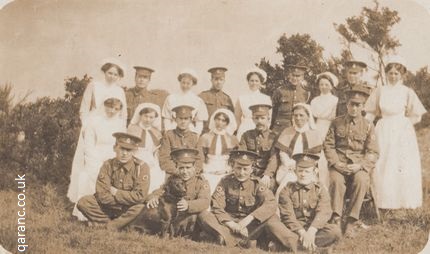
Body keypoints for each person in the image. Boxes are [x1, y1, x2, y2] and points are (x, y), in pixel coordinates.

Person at [197, 150, 298, 251]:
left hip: (250, 227)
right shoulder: (225, 182)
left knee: (272, 218)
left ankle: (293, 243)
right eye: (238, 168)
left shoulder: (257, 184)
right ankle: (244, 241)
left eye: (245, 169)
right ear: (233, 167)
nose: (241, 172)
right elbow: (217, 205)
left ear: (252, 169)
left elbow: (270, 203)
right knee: (204, 215)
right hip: (228, 225)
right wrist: (231, 224)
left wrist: (248, 219)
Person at [365, 55, 426, 209]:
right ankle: (384, 201)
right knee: (383, 163)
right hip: (384, 129)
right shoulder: (380, 91)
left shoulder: (407, 92)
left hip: (402, 131)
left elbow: (417, 115)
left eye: (396, 74)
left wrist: (404, 125)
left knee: (401, 164)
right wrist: (367, 125)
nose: (393, 76)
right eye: (390, 73)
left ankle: (404, 201)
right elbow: (370, 112)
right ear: (386, 74)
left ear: (402, 75)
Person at [324, 85, 378, 238]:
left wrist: (360, 166)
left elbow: (373, 151)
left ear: (362, 106)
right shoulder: (336, 123)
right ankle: (335, 217)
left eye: (358, 105)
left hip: (358, 165)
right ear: (346, 104)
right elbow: (328, 145)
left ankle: (351, 221)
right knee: (335, 180)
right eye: (351, 104)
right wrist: (336, 163)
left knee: (361, 180)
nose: (354, 108)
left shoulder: (368, 125)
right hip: (339, 164)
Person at [67, 97, 126, 221]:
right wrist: (96, 161)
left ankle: (109, 213)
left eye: (116, 108)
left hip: (114, 156)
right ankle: (86, 214)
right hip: (95, 156)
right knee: (91, 176)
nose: (112, 111)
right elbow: (88, 145)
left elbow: (122, 145)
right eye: (110, 107)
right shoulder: (94, 122)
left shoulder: (120, 125)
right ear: (104, 106)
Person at [76, 132, 150, 230]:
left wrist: (116, 192)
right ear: (114, 148)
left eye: (129, 150)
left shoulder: (142, 167)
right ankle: (120, 225)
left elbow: (140, 196)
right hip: (108, 207)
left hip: (128, 209)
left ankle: (105, 225)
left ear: (134, 151)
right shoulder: (107, 165)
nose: (125, 153)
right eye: (122, 148)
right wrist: (125, 200)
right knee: (84, 202)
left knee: (140, 208)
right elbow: (102, 195)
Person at [135, 148, 211, 237]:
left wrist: (189, 205)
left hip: (188, 219)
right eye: (181, 168)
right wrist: (153, 198)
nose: (185, 171)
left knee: (203, 215)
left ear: (194, 167)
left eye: (188, 168)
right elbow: (160, 191)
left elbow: (205, 201)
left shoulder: (201, 181)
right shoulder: (173, 180)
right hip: (172, 220)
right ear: (177, 167)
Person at [276, 153, 341, 252]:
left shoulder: (320, 189)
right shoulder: (286, 190)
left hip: (313, 227)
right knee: (276, 229)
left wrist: (311, 232)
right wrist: (302, 233)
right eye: (300, 171)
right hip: (294, 229)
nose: (303, 174)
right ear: (295, 171)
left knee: (335, 231)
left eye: (307, 171)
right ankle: (316, 250)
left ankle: (291, 246)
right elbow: (288, 216)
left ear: (314, 172)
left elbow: (324, 212)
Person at [266, 103, 322, 200]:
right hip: (288, 168)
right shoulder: (287, 131)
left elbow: (316, 155)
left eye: (301, 115)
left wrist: (303, 166)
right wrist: (289, 163)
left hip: (307, 169)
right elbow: (282, 152)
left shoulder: (315, 134)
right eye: (295, 115)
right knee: (287, 184)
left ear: (308, 117)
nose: (298, 118)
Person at [310, 71, 339, 187]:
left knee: (326, 157)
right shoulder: (314, 100)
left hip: (330, 127)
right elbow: (312, 117)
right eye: (321, 84)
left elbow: (335, 117)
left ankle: (327, 186)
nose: (324, 87)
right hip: (317, 128)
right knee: (316, 155)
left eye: (326, 84)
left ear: (331, 85)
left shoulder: (335, 100)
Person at [198, 109, 238, 193]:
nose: (220, 123)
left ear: (227, 123)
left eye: (223, 120)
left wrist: (228, 169)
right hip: (208, 168)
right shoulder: (205, 137)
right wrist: (204, 167)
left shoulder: (232, 138)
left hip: (225, 168)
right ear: (214, 120)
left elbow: (235, 157)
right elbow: (200, 155)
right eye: (218, 119)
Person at [158, 105, 204, 178]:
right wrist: (177, 172)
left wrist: (192, 172)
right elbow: (164, 159)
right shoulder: (168, 136)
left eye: (186, 119)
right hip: (173, 174)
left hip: (192, 174)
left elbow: (200, 159)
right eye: (180, 118)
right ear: (175, 119)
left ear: (191, 120)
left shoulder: (196, 137)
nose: (183, 122)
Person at [238, 104, 277, 190]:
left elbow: (274, 159)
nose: (259, 121)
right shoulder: (246, 135)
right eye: (256, 118)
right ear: (252, 119)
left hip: (265, 173)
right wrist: (246, 172)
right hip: (248, 171)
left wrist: (267, 175)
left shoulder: (274, 137)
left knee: (267, 188)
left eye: (262, 118)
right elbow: (242, 155)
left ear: (268, 119)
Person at [127, 103, 164, 193]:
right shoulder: (132, 129)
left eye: (151, 117)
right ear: (140, 116)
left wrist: (154, 161)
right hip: (135, 159)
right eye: (146, 116)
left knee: (157, 176)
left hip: (152, 161)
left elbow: (156, 151)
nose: (148, 120)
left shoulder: (156, 132)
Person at [80, 58, 127, 126]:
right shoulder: (93, 85)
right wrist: (85, 125)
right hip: (94, 122)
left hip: (112, 125)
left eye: (115, 74)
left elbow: (123, 114)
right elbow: (84, 108)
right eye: (110, 73)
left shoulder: (120, 91)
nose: (112, 77)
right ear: (104, 72)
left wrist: (121, 128)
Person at [162, 69, 208, 135]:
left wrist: (196, 135)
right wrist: (168, 133)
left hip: (190, 132)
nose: (185, 85)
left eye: (188, 83)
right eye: (183, 82)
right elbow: (167, 118)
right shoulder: (171, 98)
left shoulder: (197, 100)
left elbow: (199, 122)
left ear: (193, 84)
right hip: (173, 131)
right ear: (180, 82)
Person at [271, 64, 310, 134]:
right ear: (289, 75)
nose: (295, 78)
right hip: (280, 128)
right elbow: (273, 111)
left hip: (298, 127)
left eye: (298, 76)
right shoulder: (280, 91)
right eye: (293, 75)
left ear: (302, 77)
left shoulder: (306, 93)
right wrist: (271, 127)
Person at [235, 67, 272, 140]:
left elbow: (269, 118)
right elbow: (237, 118)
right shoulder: (241, 98)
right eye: (251, 81)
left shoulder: (266, 98)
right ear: (248, 82)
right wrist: (238, 131)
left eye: (256, 81)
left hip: (261, 128)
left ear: (261, 83)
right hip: (245, 128)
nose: (254, 83)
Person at [199, 67, 235, 134]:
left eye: (221, 80)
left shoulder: (227, 98)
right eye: (216, 79)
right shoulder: (202, 96)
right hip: (206, 133)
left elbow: (232, 119)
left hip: (223, 134)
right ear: (211, 80)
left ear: (224, 81)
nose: (218, 82)